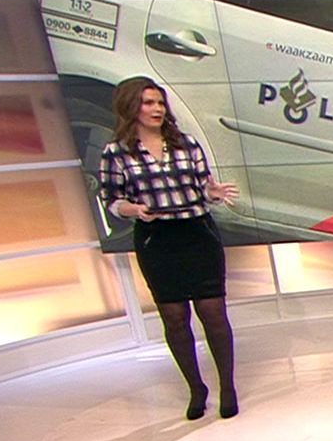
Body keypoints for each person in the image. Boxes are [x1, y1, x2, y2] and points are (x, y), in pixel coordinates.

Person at [99, 76, 243, 420]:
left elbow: (202, 186)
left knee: (212, 312)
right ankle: (196, 388)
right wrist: (133, 209)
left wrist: (212, 193)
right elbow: (111, 200)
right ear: (131, 107)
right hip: (157, 239)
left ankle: (227, 387)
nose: (157, 109)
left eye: (160, 103)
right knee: (175, 318)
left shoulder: (186, 144)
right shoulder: (115, 153)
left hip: (197, 233)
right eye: (148, 103)